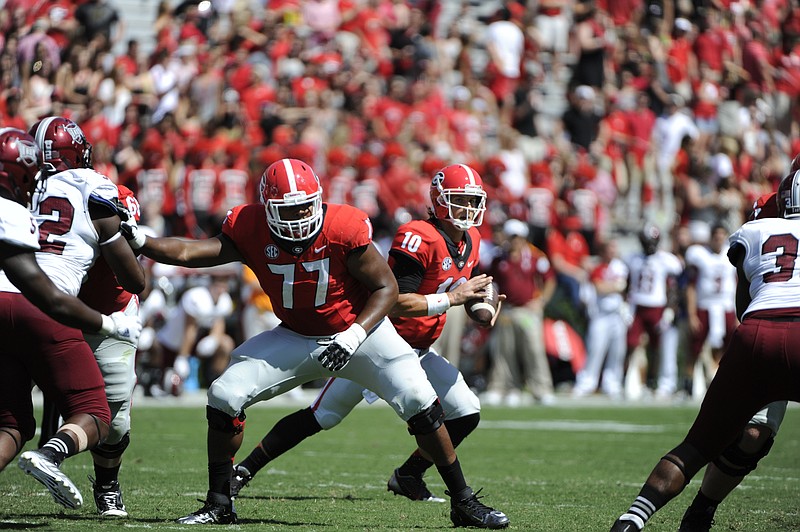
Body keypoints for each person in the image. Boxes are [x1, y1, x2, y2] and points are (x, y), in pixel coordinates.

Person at [121, 158, 509, 528]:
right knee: (225, 394)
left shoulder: (343, 225)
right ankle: (219, 502)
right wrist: (141, 239)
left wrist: (354, 334)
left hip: (362, 334)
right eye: (287, 211)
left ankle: (463, 501)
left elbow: (386, 288)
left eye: (306, 207)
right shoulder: (249, 226)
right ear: (267, 208)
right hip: (295, 334)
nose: (299, 218)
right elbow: (192, 251)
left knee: (419, 400)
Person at [227, 163, 502, 505]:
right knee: (322, 416)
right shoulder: (419, 236)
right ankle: (243, 472)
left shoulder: (472, 239)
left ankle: (409, 475)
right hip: (379, 346)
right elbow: (395, 301)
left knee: (466, 410)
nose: (469, 209)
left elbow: (456, 286)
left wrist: (479, 303)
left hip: (420, 349)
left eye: (474, 200)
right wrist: (452, 299)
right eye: (460, 200)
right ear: (439, 200)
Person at [610, 172, 800, 531]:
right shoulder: (763, 218)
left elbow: (745, 303)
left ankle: (632, 520)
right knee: (734, 436)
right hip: (778, 328)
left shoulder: (756, 229)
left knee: (697, 446)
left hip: (757, 335)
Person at [0, 126, 142, 510]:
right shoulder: (94, 187)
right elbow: (133, 276)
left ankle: (105, 484)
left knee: (11, 423)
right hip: (56, 307)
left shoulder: (19, 195)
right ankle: (52, 454)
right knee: (99, 415)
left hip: (30, 301)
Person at [677, 192, 787, 532]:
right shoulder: (769, 214)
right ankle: (700, 508)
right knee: (751, 432)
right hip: (772, 325)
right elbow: (744, 293)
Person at [38, 184, 146, 517]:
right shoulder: (58, 214)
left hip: (110, 316)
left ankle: (107, 486)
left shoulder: (114, 209)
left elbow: (135, 280)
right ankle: (48, 446)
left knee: (114, 423)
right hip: (56, 311)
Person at [485, 218, 555, 406]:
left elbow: (549, 280)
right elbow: (490, 283)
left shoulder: (535, 257)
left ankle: (541, 389)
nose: (514, 241)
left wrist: (541, 301)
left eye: (517, 237)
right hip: (507, 310)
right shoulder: (499, 258)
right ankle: (506, 387)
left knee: (534, 349)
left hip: (528, 310)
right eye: (511, 237)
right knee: (504, 351)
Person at [624, 224, 683, 399]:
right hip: (637, 306)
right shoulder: (632, 258)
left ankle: (663, 383)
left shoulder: (667, 260)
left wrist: (670, 310)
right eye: (646, 242)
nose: (649, 246)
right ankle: (632, 381)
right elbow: (627, 284)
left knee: (662, 347)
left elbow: (672, 287)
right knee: (632, 344)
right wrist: (625, 305)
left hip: (658, 306)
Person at [682, 224, 738, 397]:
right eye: (716, 236)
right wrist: (691, 314)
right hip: (705, 306)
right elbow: (690, 287)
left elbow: (738, 285)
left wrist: (738, 312)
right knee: (695, 347)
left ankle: (722, 382)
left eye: (722, 236)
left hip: (725, 307)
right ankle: (688, 384)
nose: (719, 239)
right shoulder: (699, 255)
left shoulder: (732, 253)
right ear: (711, 238)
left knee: (728, 348)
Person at [572, 239, 630, 399]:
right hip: (601, 315)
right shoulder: (597, 267)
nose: (613, 252)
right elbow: (599, 287)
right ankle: (586, 383)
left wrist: (618, 289)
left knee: (617, 352)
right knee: (595, 350)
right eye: (610, 248)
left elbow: (627, 287)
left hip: (617, 314)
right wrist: (617, 287)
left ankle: (612, 384)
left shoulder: (621, 266)